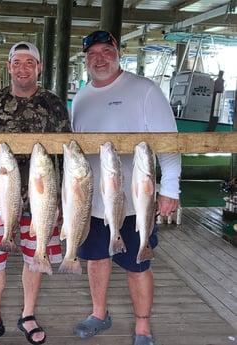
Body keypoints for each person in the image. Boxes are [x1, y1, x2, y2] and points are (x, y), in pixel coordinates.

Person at [71, 30, 181, 345]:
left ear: (118, 52)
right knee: (96, 259)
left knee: (138, 263)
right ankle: (98, 313)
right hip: (91, 201)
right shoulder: (80, 97)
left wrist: (171, 188)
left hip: (136, 201)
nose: (100, 58)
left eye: (106, 50)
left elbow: (169, 142)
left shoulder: (144, 90)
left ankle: (143, 327)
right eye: (93, 54)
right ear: (86, 59)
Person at [0, 41, 72, 345]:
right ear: (9, 66)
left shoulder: (55, 104)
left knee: (36, 257)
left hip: (42, 200)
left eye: (30, 62)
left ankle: (27, 314)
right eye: (17, 62)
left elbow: (66, 155)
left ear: (39, 67)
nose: (23, 68)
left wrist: (66, 201)